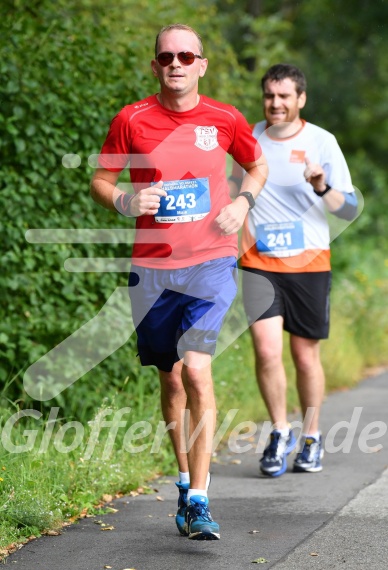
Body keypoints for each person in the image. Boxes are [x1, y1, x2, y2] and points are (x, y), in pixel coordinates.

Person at [90, 24, 267, 539]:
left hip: (211, 262)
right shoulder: (133, 119)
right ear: (155, 66)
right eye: (167, 56)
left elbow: (256, 167)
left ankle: (200, 496)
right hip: (151, 269)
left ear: (201, 65)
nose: (177, 63)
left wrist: (241, 201)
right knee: (169, 376)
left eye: (187, 55)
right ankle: (186, 479)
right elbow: (101, 178)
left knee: (196, 369)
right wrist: (123, 199)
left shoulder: (225, 119)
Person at [229, 63, 358, 477]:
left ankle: (312, 436)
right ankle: (280, 432)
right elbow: (232, 196)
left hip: (309, 263)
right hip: (259, 263)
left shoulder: (322, 142)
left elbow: (351, 208)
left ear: (300, 99)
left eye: (284, 96)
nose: (276, 103)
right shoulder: (248, 139)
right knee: (266, 351)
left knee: (304, 357)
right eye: (270, 95)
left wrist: (322, 186)